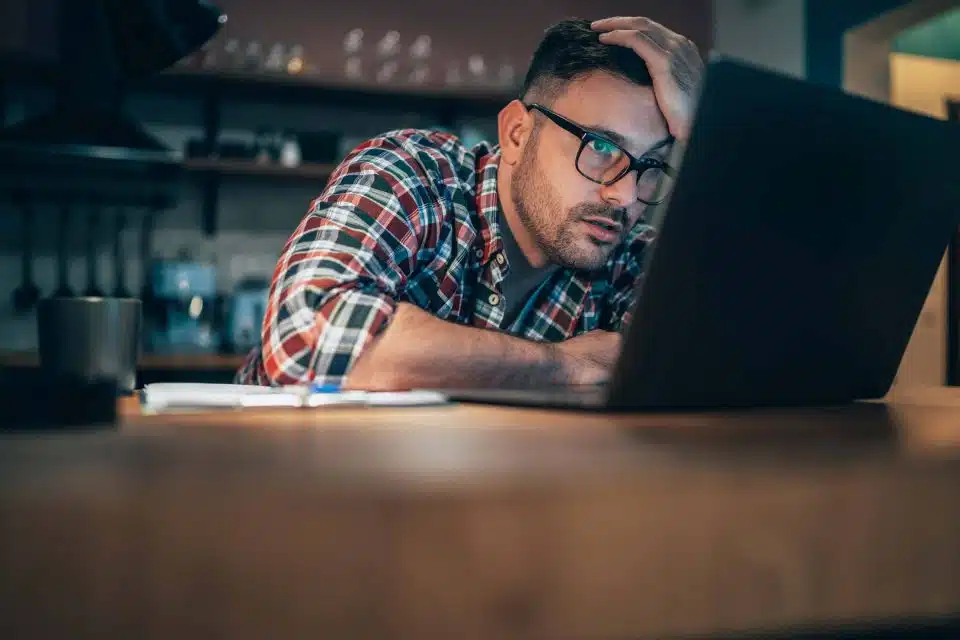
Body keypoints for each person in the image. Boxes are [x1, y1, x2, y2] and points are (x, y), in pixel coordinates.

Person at [235, 16, 704, 390]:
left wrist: (710, 129)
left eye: (651, 167)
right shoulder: (414, 175)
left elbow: (736, 367)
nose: (624, 195)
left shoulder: (630, 258)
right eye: (600, 148)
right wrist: (565, 365)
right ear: (517, 134)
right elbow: (305, 342)